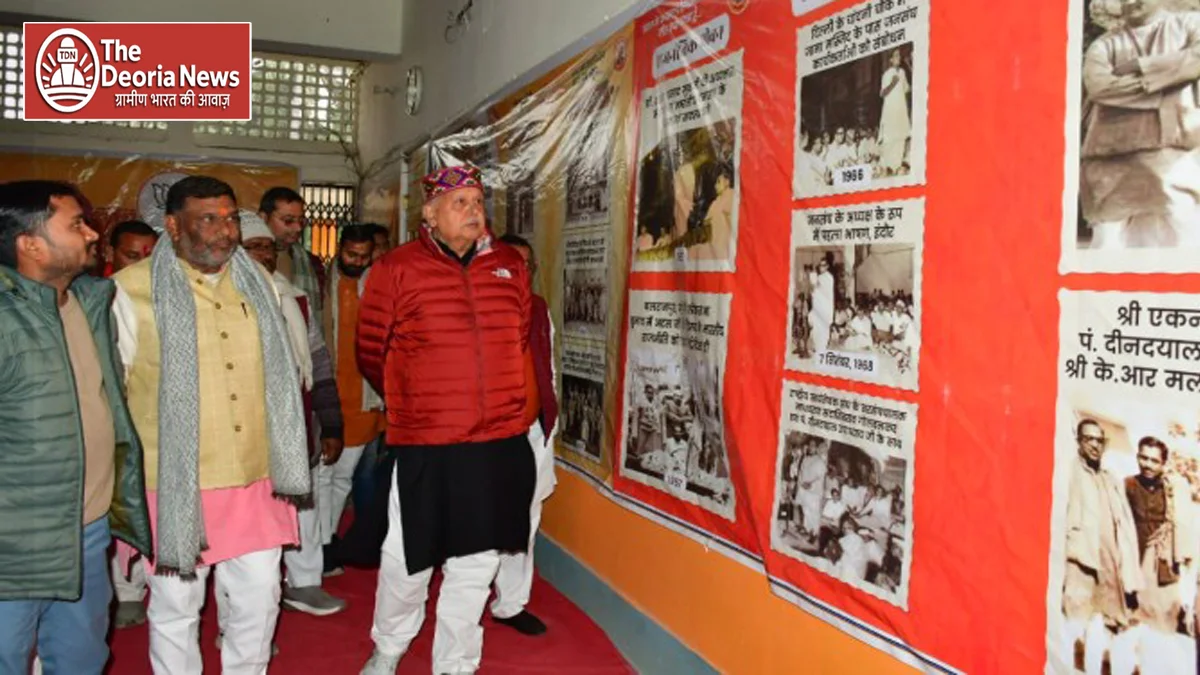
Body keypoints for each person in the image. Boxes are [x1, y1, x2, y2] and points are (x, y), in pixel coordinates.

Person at [112, 175, 311, 674]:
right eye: (208, 220)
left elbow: (285, 372)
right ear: (173, 226)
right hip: (176, 484)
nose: (225, 232)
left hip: (255, 476)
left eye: (229, 219)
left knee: (260, 599)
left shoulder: (260, 284)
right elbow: (111, 395)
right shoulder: (128, 292)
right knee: (177, 607)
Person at [357, 165, 536, 675]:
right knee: (408, 557)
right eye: (460, 203)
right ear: (429, 215)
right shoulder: (397, 267)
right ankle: (389, 647)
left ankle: (455, 665)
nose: (474, 211)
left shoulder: (508, 264)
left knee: (477, 562)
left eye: (478, 201)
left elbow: (518, 337)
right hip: (428, 437)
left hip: (496, 438)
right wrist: (414, 398)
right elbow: (371, 350)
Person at [0, 180, 152, 674]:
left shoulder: (89, 302)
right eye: (76, 224)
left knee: (83, 659)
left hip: (86, 533)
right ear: (30, 244)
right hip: (13, 546)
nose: (92, 232)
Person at [240, 211, 348, 617]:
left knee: (304, 507)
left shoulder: (293, 299)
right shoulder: (221, 301)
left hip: (299, 424)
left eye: (268, 246)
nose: (264, 255)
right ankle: (244, 615)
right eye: (253, 247)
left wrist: (332, 423)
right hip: (248, 433)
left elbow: (319, 366)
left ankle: (304, 584)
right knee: (252, 523)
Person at [493, 233, 559, 636]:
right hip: (485, 436)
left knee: (526, 518)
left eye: (527, 266)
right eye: (511, 265)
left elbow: (546, 366)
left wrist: (546, 420)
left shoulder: (538, 308)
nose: (521, 272)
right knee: (480, 517)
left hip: (533, 430)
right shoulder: (475, 311)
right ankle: (467, 592)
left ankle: (511, 603)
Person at [104, 218, 161, 629]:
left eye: (149, 255)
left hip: (159, 419)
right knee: (126, 502)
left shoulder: (167, 294)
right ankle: (127, 589)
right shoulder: (99, 295)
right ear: (111, 255)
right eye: (131, 254)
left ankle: (156, 585)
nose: (141, 262)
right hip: (119, 419)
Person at [319, 224, 385, 576]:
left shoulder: (378, 285)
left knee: (342, 476)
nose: (357, 262)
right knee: (321, 477)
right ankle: (314, 547)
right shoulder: (317, 281)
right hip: (324, 394)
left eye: (364, 256)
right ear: (339, 249)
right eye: (350, 255)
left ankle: (327, 542)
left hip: (363, 395)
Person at [1062, 419, 1142, 674]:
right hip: (1080, 563)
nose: (1095, 445)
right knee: (1073, 625)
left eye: (1100, 440)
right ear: (1079, 441)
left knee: (1100, 626)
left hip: (1108, 565)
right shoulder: (1069, 473)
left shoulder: (1110, 479)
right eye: (1089, 439)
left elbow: (1125, 524)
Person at [259, 186, 327, 311]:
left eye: (301, 221)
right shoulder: (245, 261)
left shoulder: (313, 264)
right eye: (288, 220)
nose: (298, 228)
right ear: (263, 218)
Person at [877, 49, 911, 176]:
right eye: (896, 56)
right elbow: (882, 93)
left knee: (901, 139)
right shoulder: (887, 74)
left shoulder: (902, 72)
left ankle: (896, 168)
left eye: (899, 55)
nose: (899, 57)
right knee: (889, 140)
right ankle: (886, 168)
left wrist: (911, 66)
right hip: (890, 113)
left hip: (900, 113)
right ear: (890, 60)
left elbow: (907, 89)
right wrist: (893, 83)